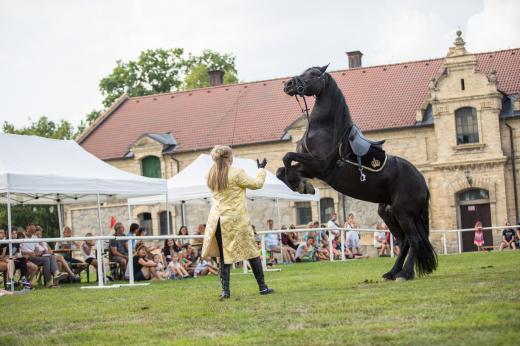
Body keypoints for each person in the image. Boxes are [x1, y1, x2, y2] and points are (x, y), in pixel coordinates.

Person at [201, 145, 274, 300]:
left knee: (224, 256)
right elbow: (256, 184)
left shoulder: (209, 174)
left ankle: (225, 291)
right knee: (252, 252)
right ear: (228, 157)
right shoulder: (237, 173)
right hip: (236, 220)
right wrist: (261, 170)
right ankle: (262, 287)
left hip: (218, 220)